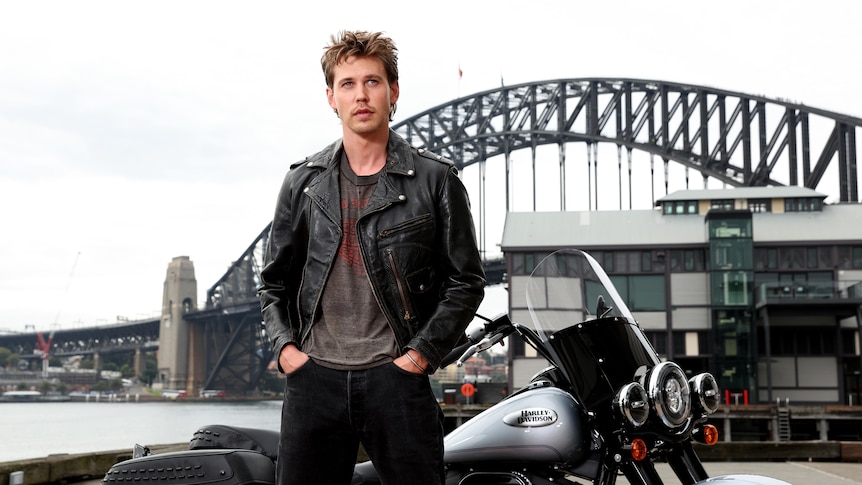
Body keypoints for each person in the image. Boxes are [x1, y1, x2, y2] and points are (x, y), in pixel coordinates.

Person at [258, 30, 486, 484]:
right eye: (347, 84)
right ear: (331, 97)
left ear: (393, 91)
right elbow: (273, 282)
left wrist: (419, 357)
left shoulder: (435, 180)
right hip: (314, 382)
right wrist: (286, 350)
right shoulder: (303, 184)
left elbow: (466, 281)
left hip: (397, 381)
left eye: (372, 81)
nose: (360, 95)